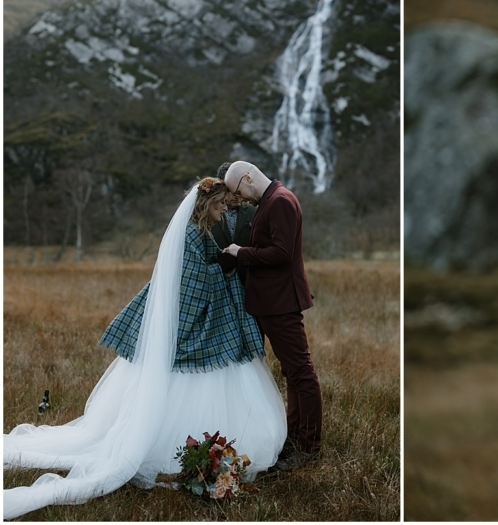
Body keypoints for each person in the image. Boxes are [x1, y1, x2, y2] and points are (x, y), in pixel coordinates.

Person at [2, 178, 287, 520]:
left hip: (209, 320)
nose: (225, 209)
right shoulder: (189, 236)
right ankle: (179, 452)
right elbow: (193, 285)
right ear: (204, 205)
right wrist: (228, 264)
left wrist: (226, 261)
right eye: (220, 204)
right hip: (193, 327)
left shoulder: (200, 233)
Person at [220, 161, 321, 470]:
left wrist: (240, 252)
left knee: (301, 373)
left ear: (248, 177)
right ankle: (294, 440)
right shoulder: (270, 200)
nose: (241, 199)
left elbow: (282, 253)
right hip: (270, 301)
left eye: (239, 190)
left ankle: (309, 449)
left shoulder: (280, 201)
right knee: (291, 373)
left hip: (281, 301)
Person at [214, 161, 258, 285]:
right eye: (230, 190)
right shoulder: (209, 215)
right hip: (218, 285)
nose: (236, 195)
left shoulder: (254, 211)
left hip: (249, 285)